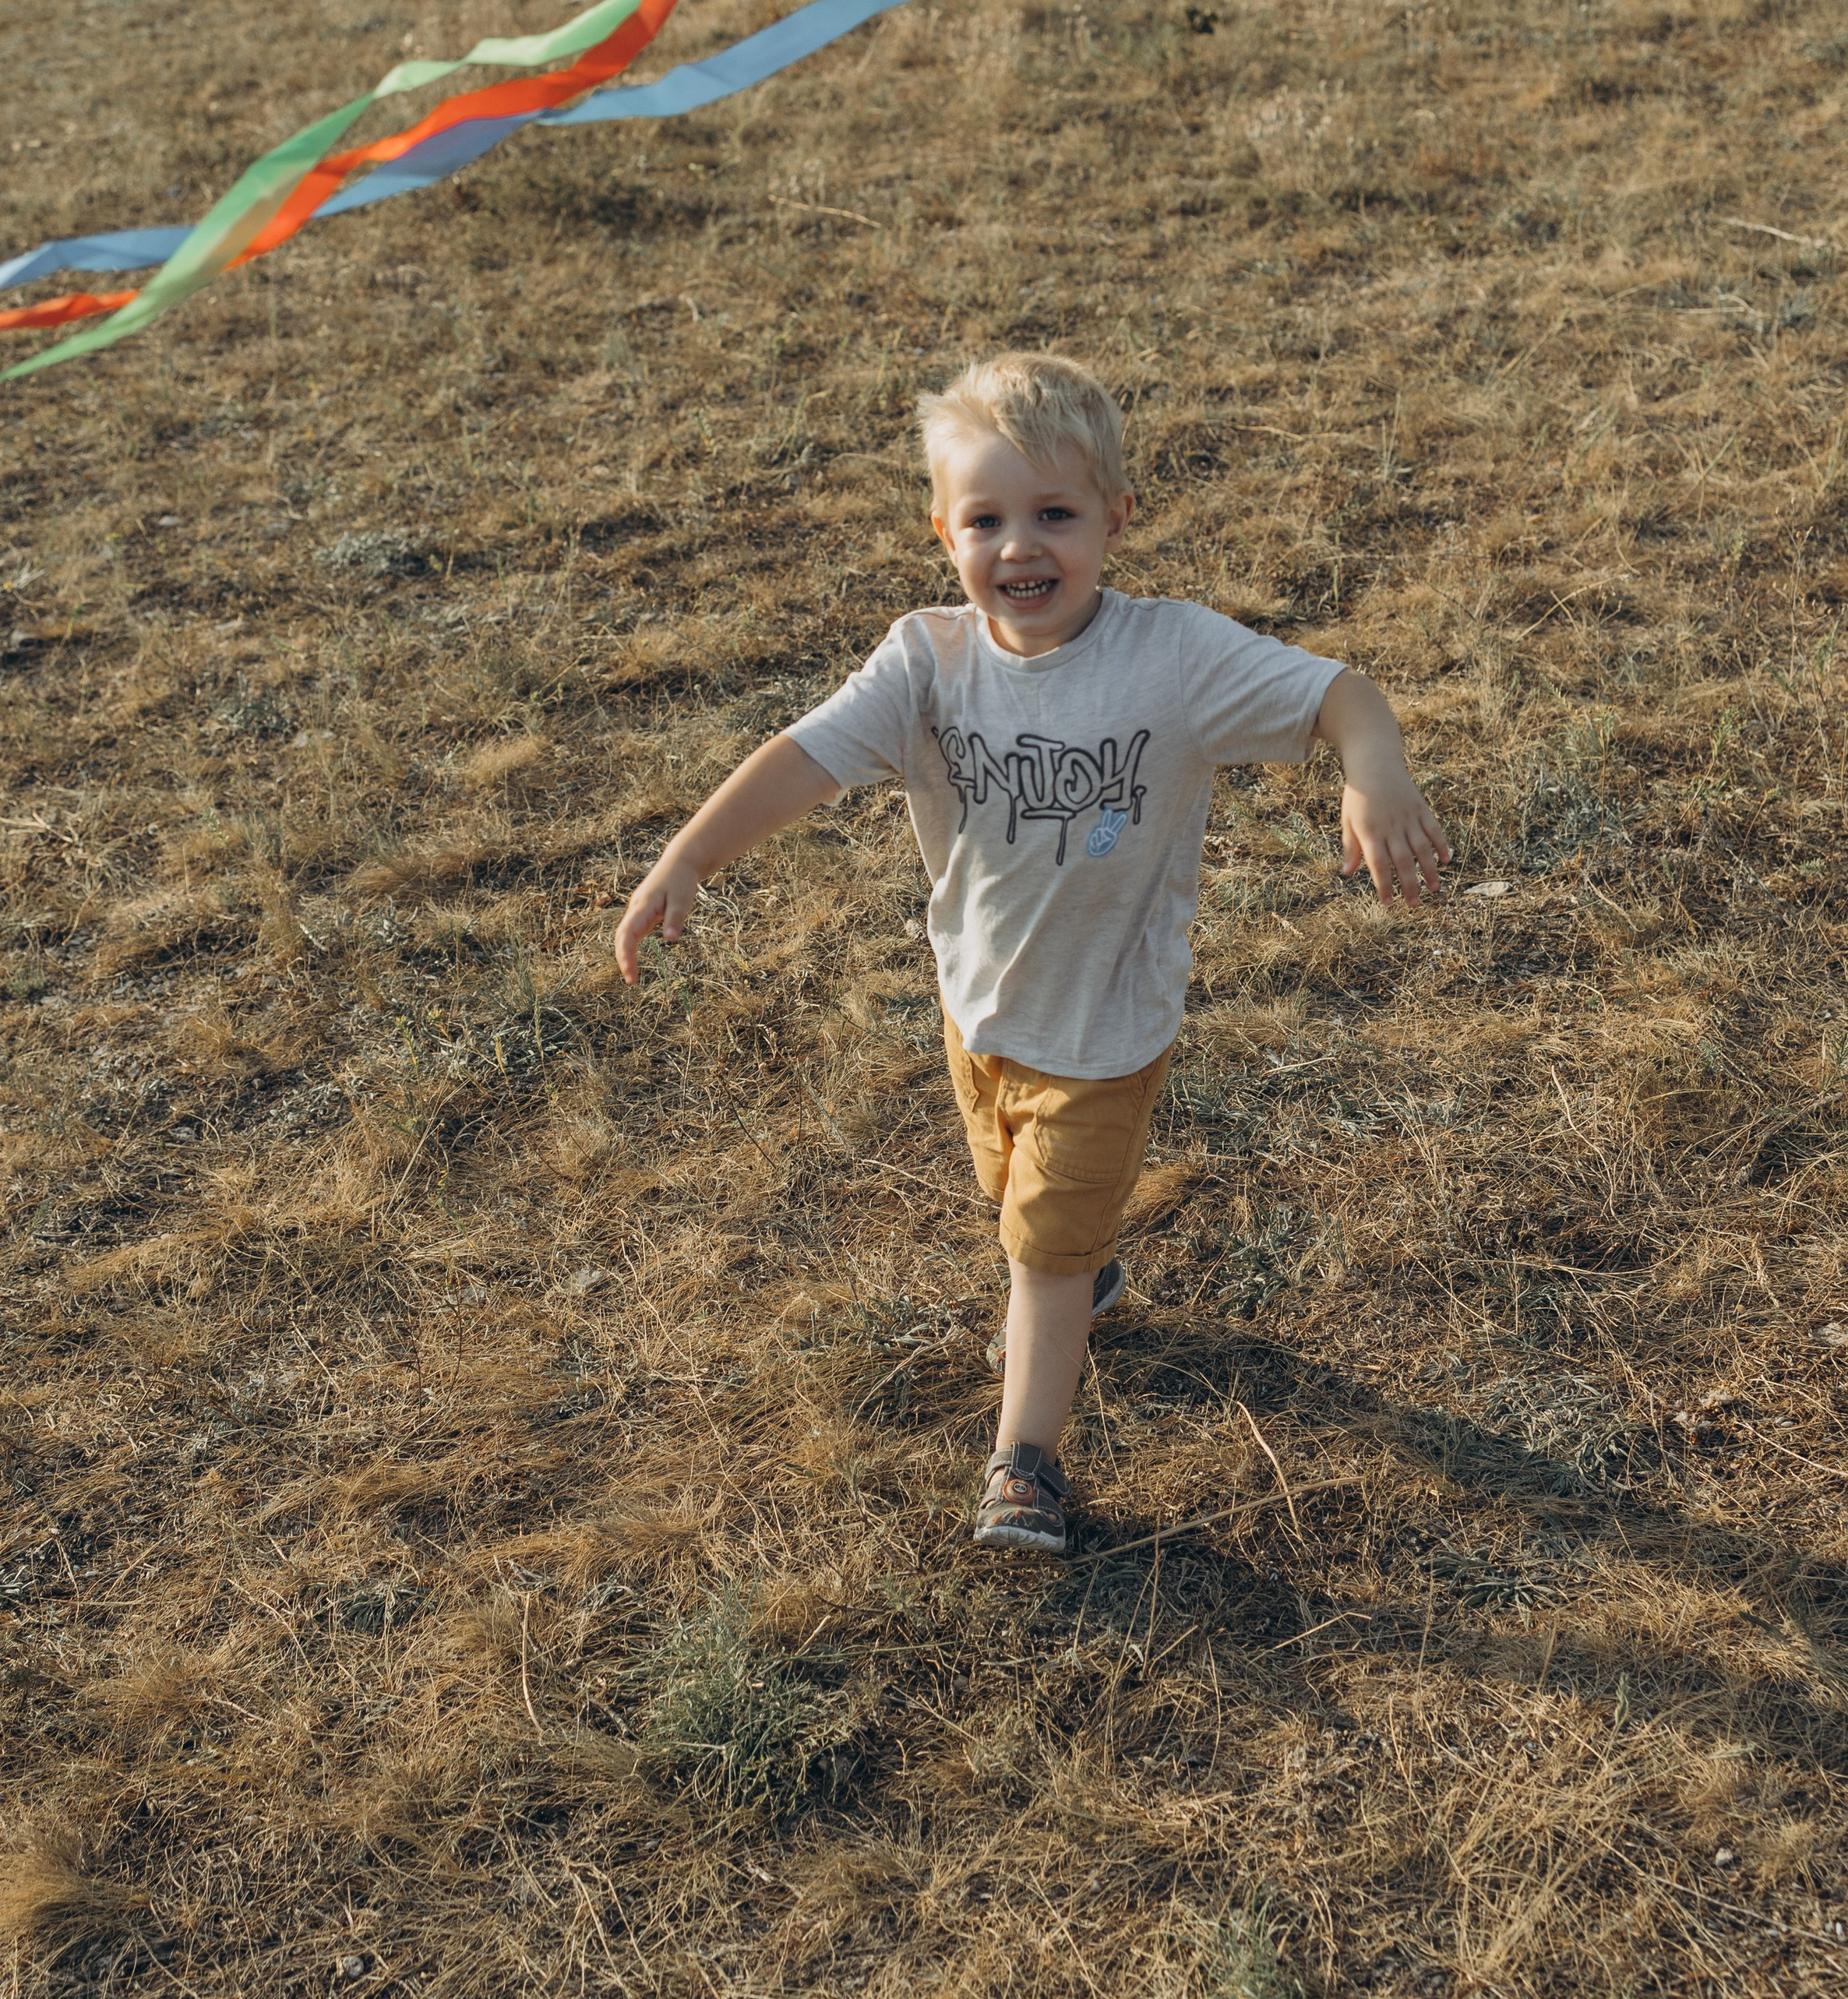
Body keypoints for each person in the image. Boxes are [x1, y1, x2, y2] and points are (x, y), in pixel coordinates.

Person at [614, 353, 1449, 1557]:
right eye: (987, 518)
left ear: (1116, 518)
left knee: (1037, 1267)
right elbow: (803, 756)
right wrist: (689, 858)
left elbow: (1342, 693)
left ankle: (1027, 1462)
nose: (1022, 547)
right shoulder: (926, 662)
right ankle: (1084, 1266)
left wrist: (1375, 773)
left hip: (1106, 1032)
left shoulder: (1173, 659)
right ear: (942, 529)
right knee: (1016, 1204)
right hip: (978, 1007)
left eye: (1055, 514)